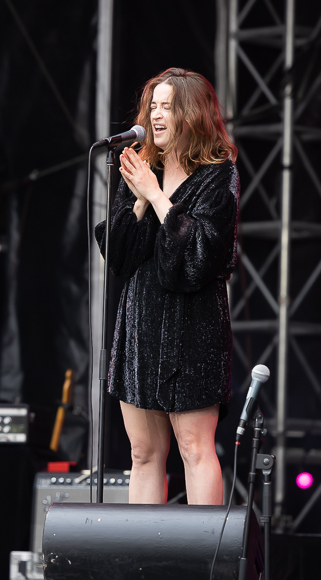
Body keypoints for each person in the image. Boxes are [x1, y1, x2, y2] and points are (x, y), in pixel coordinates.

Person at [95, 68, 239, 505]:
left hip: (193, 327)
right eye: (152, 106)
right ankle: (144, 549)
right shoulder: (143, 170)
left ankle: (204, 548)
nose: (156, 116)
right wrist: (139, 198)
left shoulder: (218, 175)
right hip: (141, 325)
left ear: (191, 113)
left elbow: (199, 257)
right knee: (143, 453)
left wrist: (157, 196)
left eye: (167, 107)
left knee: (194, 448)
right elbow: (120, 256)